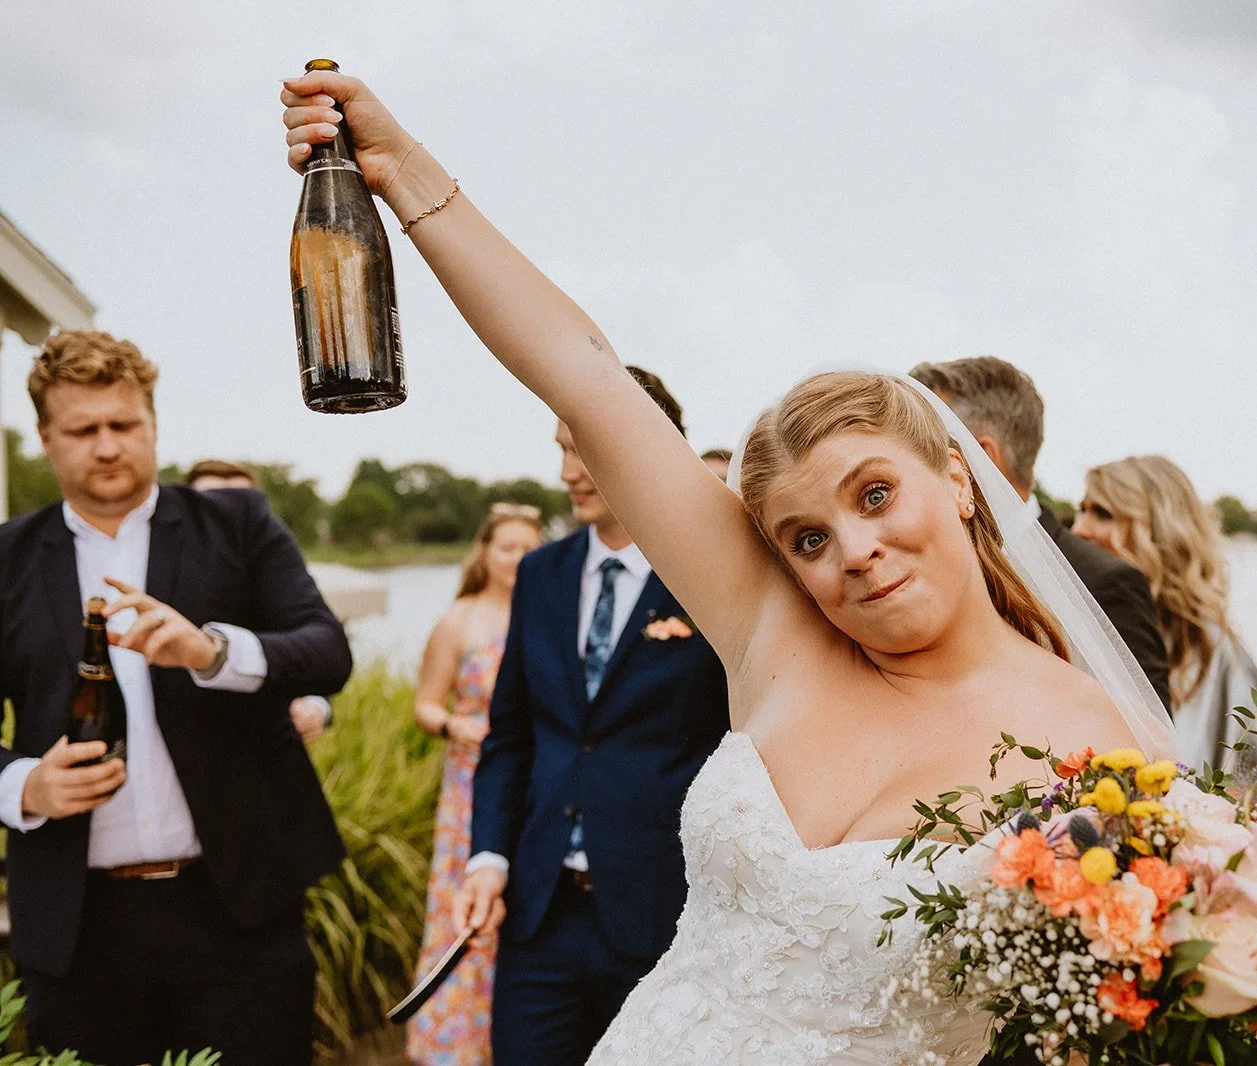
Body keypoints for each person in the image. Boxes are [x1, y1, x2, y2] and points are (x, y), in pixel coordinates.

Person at [281, 72, 1170, 1065]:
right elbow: (582, 370)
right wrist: (405, 178)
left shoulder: (1094, 744)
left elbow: (1120, 1020)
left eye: (873, 494)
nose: (853, 553)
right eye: (806, 538)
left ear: (959, 478)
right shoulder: (776, 637)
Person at [0, 330, 351, 1066]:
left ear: (153, 424)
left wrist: (210, 650)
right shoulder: (5, 559)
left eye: (123, 425)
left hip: (239, 914)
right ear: (44, 438)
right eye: (83, 429)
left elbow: (327, 650)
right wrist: (21, 784)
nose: (105, 446)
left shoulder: (239, 526)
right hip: (77, 929)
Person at [460, 369, 731, 1064]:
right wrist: (488, 856)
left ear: (649, 446)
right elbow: (510, 736)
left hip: (661, 910)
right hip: (539, 911)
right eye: (560, 448)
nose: (566, 472)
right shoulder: (541, 572)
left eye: (582, 449)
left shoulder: (714, 574)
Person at [907, 356, 1171, 710]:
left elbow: (1149, 748)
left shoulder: (1105, 582)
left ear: (977, 458)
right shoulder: (912, 572)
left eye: (922, 446)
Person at [406, 503, 543, 1066]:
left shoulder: (546, 614)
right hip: (470, 791)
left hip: (535, 787)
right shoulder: (459, 619)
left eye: (528, 547)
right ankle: (453, 1048)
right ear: (484, 552)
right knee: (464, 910)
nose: (517, 557)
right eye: (507, 546)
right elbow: (424, 705)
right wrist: (456, 725)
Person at [1073, 455, 1257, 770]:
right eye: (1082, 510)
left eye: (1102, 514)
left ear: (1157, 531)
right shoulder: (1072, 630)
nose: (1079, 530)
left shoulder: (1214, 649)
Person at [183, 459, 334, 744]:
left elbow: (316, 653)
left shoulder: (279, 584)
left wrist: (315, 706)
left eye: (244, 507)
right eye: (213, 505)